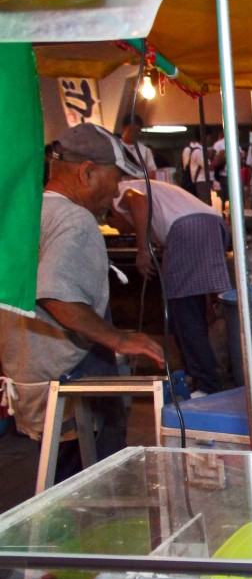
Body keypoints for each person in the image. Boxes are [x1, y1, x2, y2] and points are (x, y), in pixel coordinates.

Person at [0, 124, 164, 482]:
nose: (117, 191)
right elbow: (54, 291)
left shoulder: (27, 214)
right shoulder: (76, 219)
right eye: (116, 179)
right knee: (90, 493)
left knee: (53, 487)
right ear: (87, 172)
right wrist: (117, 339)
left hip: (29, 379)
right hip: (72, 381)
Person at [109, 175, 230, 396]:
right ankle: (198, 376)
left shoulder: (120, 191)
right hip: (211, 224)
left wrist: (143, 250)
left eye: (117, 226)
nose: (121, 231)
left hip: (188, 228)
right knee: (185, 311)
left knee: (184, 311)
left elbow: (137, 201)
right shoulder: (154, 192)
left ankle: (207, 384)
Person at [180, 127, 214, 202]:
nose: (210, 139)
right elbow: (209, 167)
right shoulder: (198, 151)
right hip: (200, 182)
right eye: (209, 137)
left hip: (196, 182)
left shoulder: (194, 149)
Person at [120, 113, 157, 178]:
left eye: (137, 131)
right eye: (131, 130)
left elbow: (152, 173)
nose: (134, 133)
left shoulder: (145, 150)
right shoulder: (113, 147)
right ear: (123, 128)